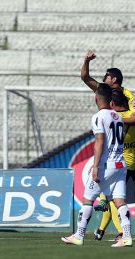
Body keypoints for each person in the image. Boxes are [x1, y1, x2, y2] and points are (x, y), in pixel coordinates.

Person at [61, 83, 132, 247]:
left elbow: (100, 141)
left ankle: (79, 236)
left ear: (96, 98)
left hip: (106, 165)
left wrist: (95, 166)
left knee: (88, 199)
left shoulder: (98, 117)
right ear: (111, 101)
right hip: (121, 164)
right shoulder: (118, 117)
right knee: (120, 201)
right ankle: (127, 237)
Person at [81, 50, 135, 240]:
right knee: (114, 198)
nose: (103, 79)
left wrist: (114, 119)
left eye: (105, 76)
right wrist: (86, 61)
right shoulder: (104, 90)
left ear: (113, 78)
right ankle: (121, 233)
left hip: (126, 153)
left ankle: (83, 234)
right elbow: (85, 77)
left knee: (107, 198)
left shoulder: (129, 95)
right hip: (116, 156)